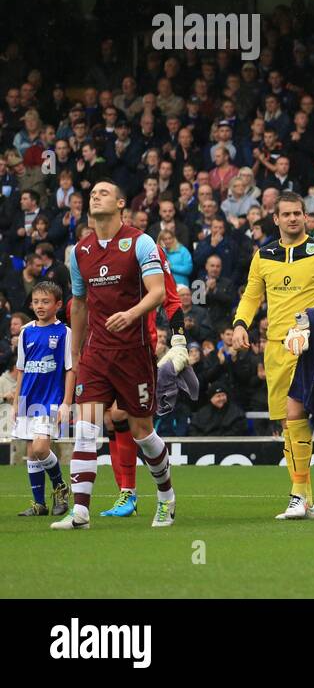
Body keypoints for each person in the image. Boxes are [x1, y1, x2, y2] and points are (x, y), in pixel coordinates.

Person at [54, 182, 174, 530]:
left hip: (134, 353)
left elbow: (157, 293)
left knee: (141, 432)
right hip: (96, 354)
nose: (95, 195)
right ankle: (80, 513)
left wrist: (132, 314)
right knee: (86, 429)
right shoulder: (79, 251)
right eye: (92, 193)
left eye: (104, 192)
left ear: (121, 203)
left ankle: (166, 498)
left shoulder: (141, 242)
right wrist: (75, 352)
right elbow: (78, 303)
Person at [231, 191, 314, 521]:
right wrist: (241, 324)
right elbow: (250, 297)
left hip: (309, 345)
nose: (292, 219)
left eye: (297, 213)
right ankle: (306, 499)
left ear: (306, 216)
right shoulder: (264, 255)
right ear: (275, 219)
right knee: (288, 423)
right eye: (285, 214)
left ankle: (297, 495)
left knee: (295, 412)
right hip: (275, 347)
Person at [14, 281, 72, 518]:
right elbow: (21, 368)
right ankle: (39, 504)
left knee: (40, 447)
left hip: (50, 400)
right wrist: (17, 400)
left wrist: (67, 402)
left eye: (45, 301)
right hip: (29, 397)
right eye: (36, 301)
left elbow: (70, 369)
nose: (40, 306)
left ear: (58, 305)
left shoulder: (64, 332)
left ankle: (60, 488)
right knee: (31, 450)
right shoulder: (26, 332)